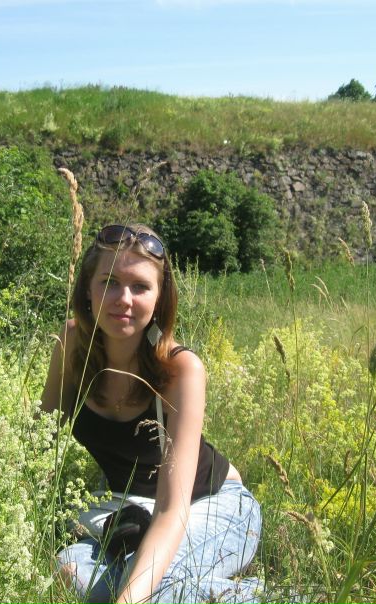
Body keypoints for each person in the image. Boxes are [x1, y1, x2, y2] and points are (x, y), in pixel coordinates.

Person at [41, 224, 262, 604]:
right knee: (72, 578)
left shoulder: (180, 370)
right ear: (88, 289)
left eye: (140, 287)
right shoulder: (72, 345)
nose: (123, 299)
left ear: (159, 298)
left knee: (150, 587)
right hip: (123, 508)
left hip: (211, 506)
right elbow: (39, 436)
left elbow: (171, 510)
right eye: (109, 282)